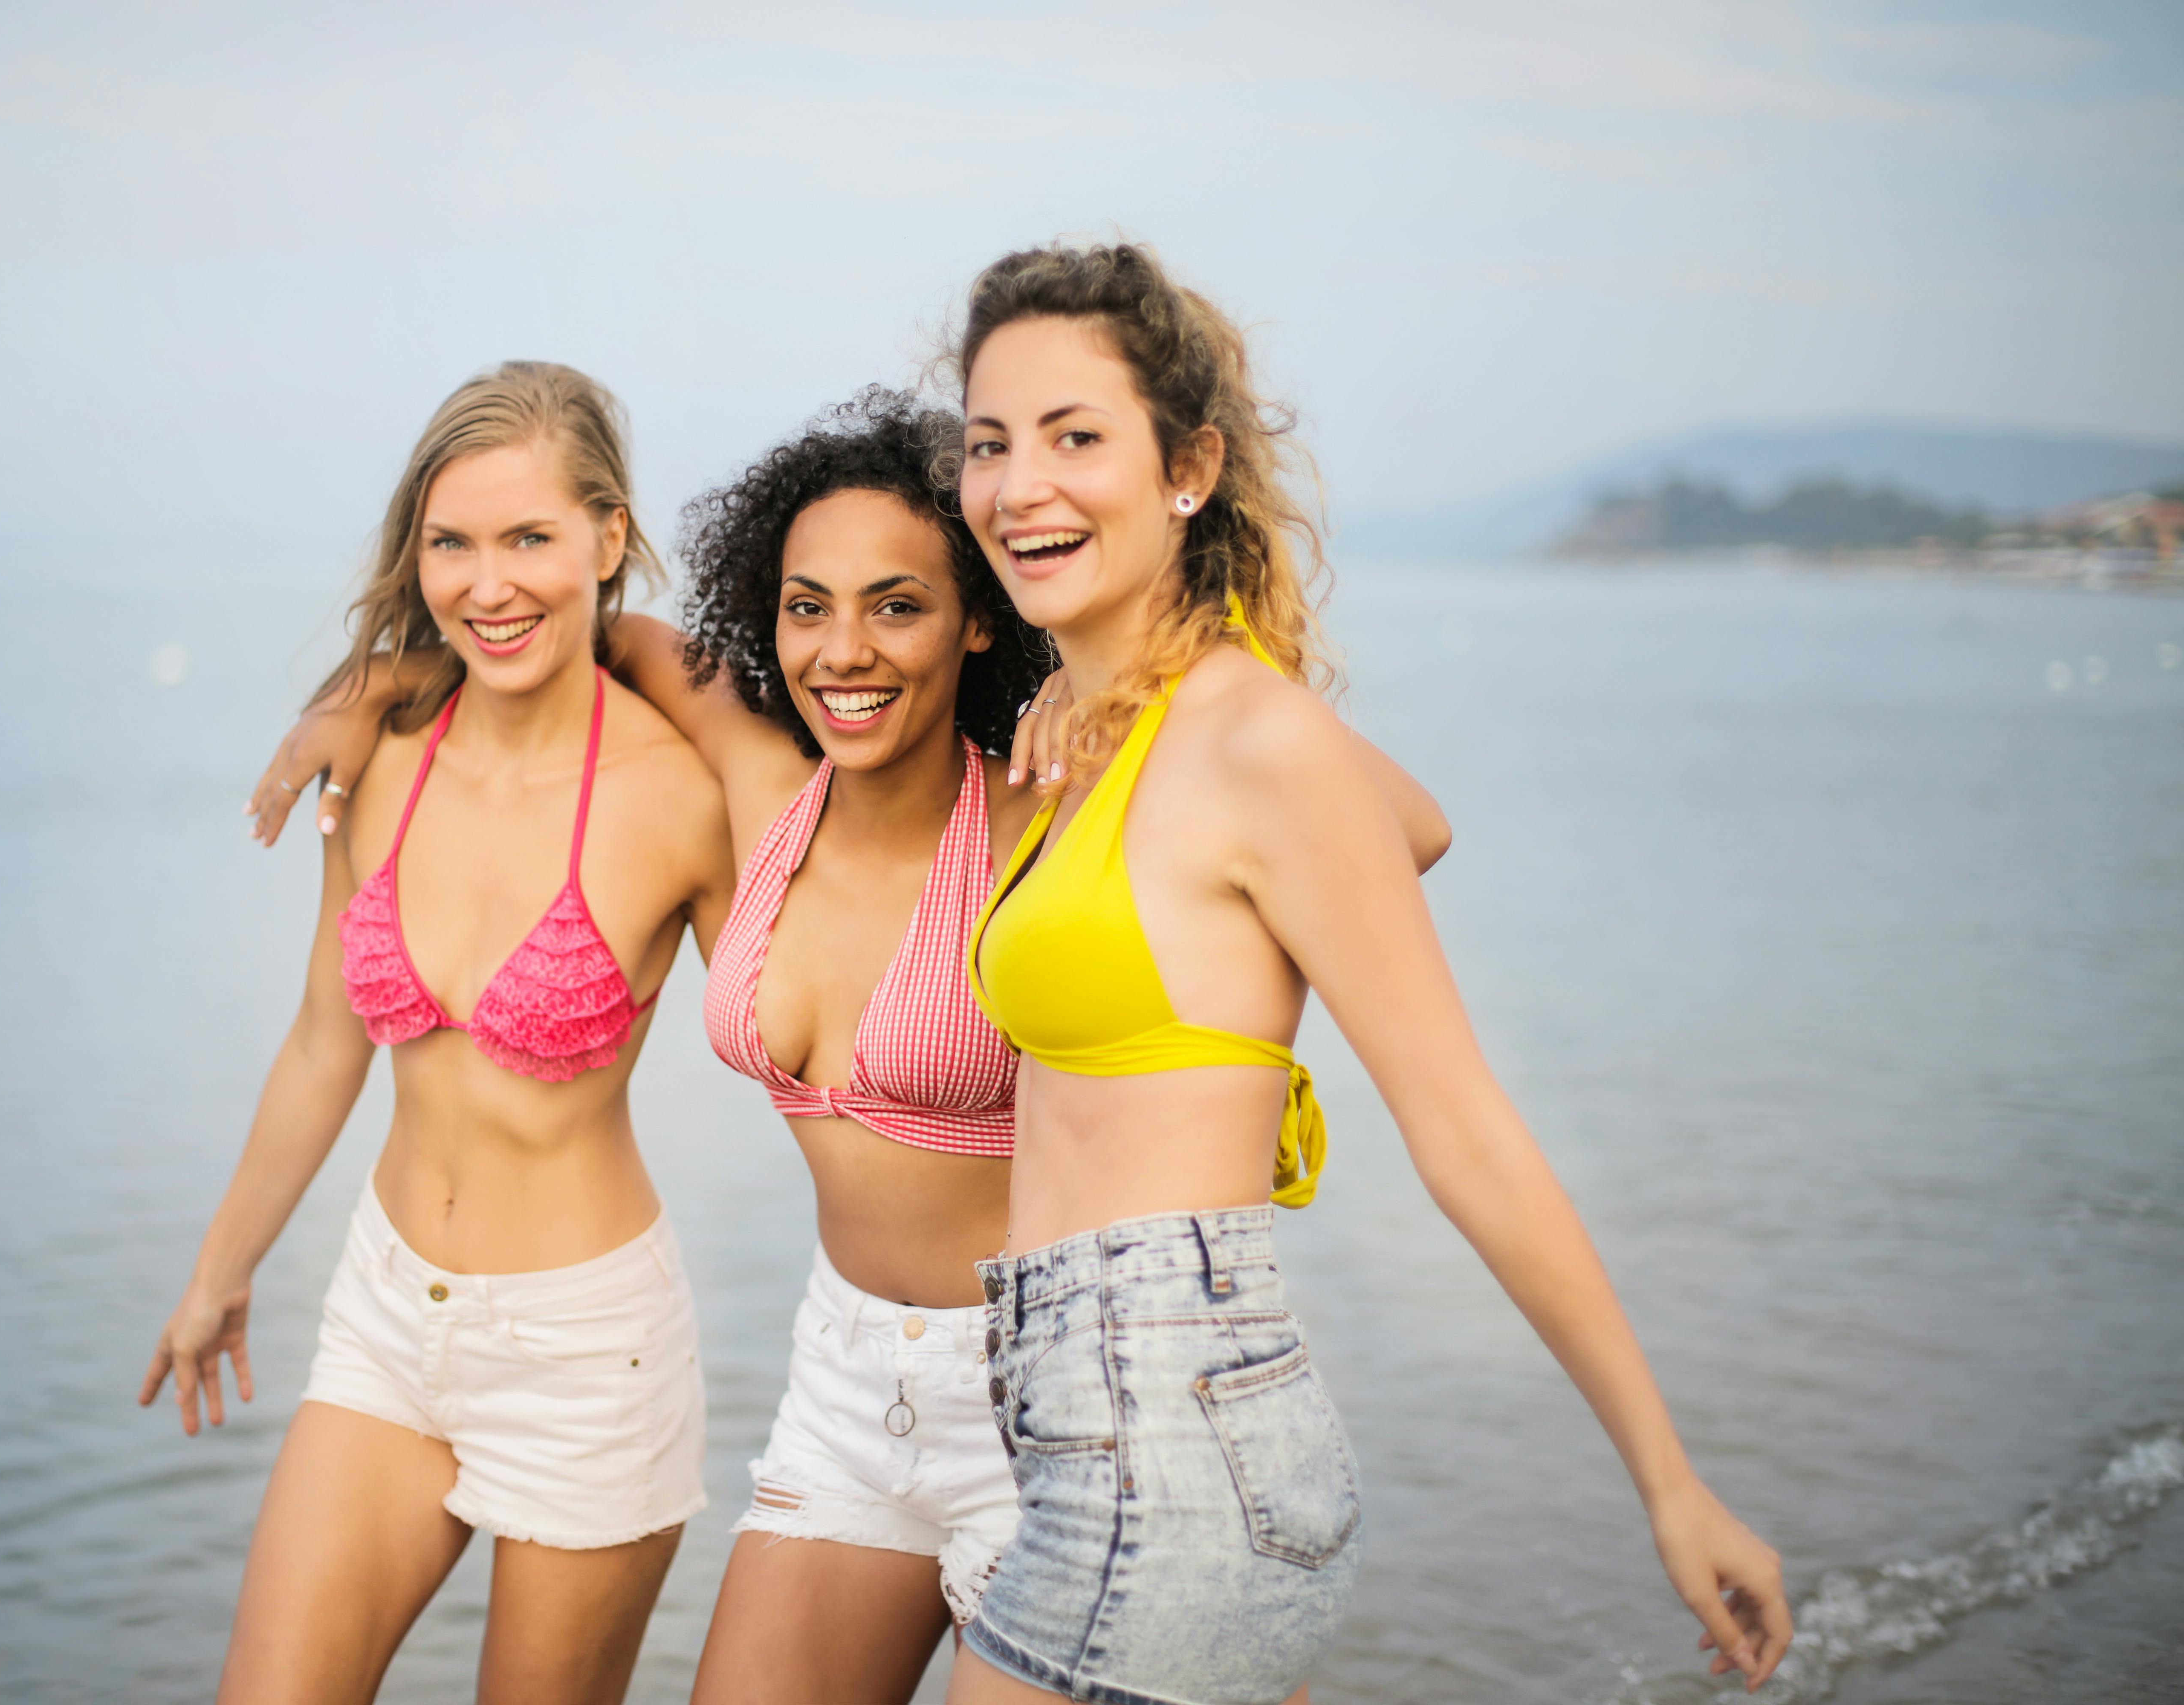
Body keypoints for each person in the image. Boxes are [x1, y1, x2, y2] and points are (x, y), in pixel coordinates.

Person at [244, 389, 1452, 1704]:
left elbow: (1406, 822)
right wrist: (377, 684)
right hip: (849, 1387)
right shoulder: (762, 782)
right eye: (807, 606)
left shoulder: (1046, 808)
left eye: (898, 604)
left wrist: (1135, 681)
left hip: (1053, 1400)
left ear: (978, 615)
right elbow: (586, 631)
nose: (843, 649)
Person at [943, 243, 1793, 1705]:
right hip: (1108, 1436)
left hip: (1172, 1458)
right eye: (989, 444)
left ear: (1187, 467)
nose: (1022, 487)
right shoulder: (1139, 735)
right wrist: (1087, 704)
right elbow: (1423, 823)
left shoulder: (1253, 746)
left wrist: (1669, 1481)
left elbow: (1467, 1136)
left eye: (1078, 438)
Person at [140, 361, 735, 1705]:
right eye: (451, 544)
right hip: (387, 1317)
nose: (488, 583)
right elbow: (321, 1042)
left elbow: (807, 1016)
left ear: (609, 537)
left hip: (589, 1354)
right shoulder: (387, 754)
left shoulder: (675, 799)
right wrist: (220, 1272)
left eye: (530, 537)